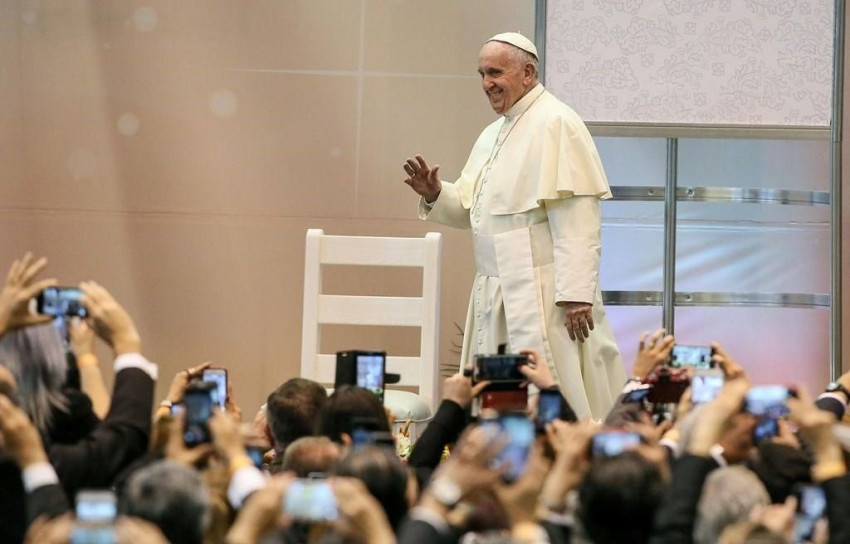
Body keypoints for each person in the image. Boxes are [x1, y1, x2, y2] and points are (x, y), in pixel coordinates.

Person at [402, 32, 625, 419]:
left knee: (554, 390)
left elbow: (578, 219)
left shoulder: (557, 122)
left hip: (542, 291)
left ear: (528, 72)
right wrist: (436, 193)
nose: (486, 83)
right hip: (493, 287)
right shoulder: (493, 132)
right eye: (481, 74)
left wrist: (576, 294)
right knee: (497, 401)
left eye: (495, 72)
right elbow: (472, 210)